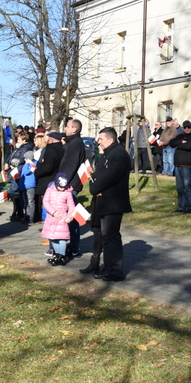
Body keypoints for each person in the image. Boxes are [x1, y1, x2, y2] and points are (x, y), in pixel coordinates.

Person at [89, 127, 132, 281]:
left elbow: (110, 176)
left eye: (101, 139)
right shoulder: (109, 154)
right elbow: (97, 176)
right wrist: (94, 188)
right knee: (106, 237)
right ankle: (107, 268)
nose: (98, 141)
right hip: (105, 201)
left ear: (111, 140)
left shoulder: (119, 154)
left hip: (113, 202)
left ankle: (115, 271)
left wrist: (95, 188)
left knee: (112, 237)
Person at [58, 119, 87, 256]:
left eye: (67, 126)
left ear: (74, 129)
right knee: (69, 216)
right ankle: (71, 245)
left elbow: (71, 164)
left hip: (70, 185)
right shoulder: (73, 142)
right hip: (70, 183)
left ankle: (74, 247)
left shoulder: (76, 143)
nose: (65, 128)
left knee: (72, 217)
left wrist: (62, 184)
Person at [42, 172, 76, 265]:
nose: (62, 189)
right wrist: (53, 212)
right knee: (53, 238)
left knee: (62, 238)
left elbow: (71, 206)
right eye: (60, 187)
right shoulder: (50, 190)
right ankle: (57, 255)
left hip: (62, 218)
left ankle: (62, 256)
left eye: (64, 187)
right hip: (51, 217)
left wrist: (70, 217)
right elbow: (45, 201)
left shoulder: (68, 193)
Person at [168, 120, 191, 213]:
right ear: (182, 128)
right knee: (179, 187)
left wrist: (178, 146)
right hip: (178, 163)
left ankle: (190, 207)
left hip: (187, 163)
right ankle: (181, 206)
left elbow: (189, 146)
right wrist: (181, 141)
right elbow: (172, 143)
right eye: (185, 127)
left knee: (187, 186)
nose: (187, 129)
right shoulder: (179, 136)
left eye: (189, 127)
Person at [19, 151, 37, 224]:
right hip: (24, 185)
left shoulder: (33, 164)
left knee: (30, 201)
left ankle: (31, 218)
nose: (24, 160)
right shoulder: (25, 165)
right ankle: (26, 216)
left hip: (30, 185)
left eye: (25, 158)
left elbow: (26, 172)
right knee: (25, 202)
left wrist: (27, 163)